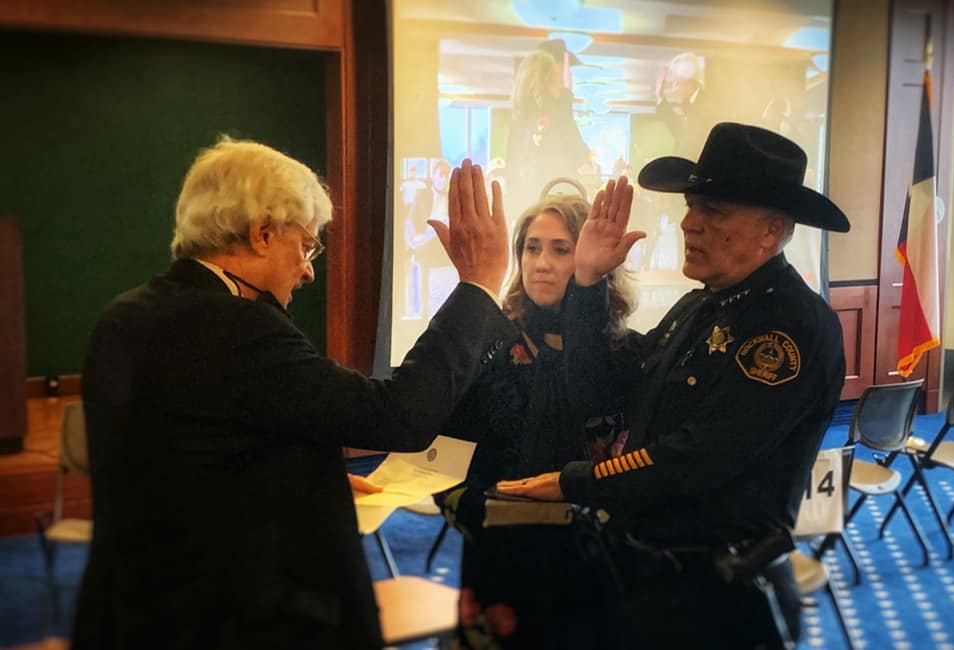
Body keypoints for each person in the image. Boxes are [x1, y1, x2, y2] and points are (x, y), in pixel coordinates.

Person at [72, 138, 514, 650]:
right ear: (262, 233)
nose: (308, 269)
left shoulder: (125, 314)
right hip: (233, 622)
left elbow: (186, 458)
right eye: (306, 245)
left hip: (136, 610)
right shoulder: (236, 326)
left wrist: (298, 476)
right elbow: (399, 416)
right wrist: (479, 286)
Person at [498, 122, 851, 648]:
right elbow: (601, 391)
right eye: (691, 207)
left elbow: (698, 457)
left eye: (714, 212)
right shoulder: (705, 302)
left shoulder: (790, 328)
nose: (688, 224)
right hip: (658, 575)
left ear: (770, 231)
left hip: (718, 595)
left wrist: (577, 480)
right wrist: (589, 283)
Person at [437, 193, 636, 649]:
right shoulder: (488, 340)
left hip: (592, 556)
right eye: (531, 247)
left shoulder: (623, 352)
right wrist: (470, 506)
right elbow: (443, 449)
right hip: (501, 551)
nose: (541, 262)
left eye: (561, 249)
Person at [504, 41, 590, 220]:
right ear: (550, 77)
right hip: (554, 210)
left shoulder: (519, 118)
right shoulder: (557, 112)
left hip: (525, 210)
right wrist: (566, 97)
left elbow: (511, 170)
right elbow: (578, 153)